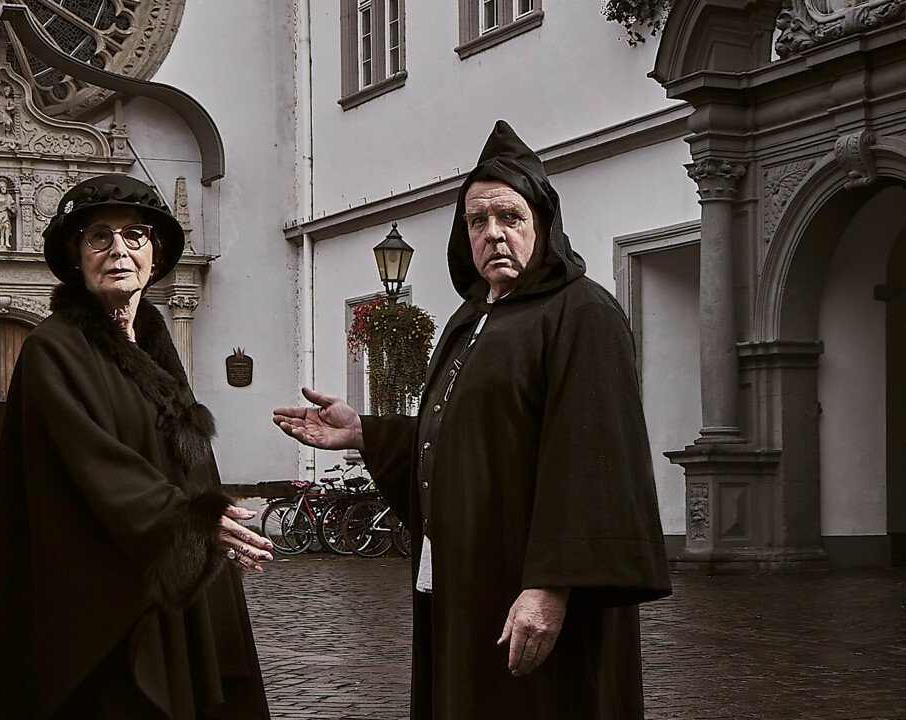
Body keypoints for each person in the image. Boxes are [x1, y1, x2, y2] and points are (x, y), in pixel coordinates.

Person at [273, 121, 671, 719]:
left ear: (543, 223)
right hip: (465, 584)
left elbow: (594, 464)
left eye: (510, 217)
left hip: (527, 589)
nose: (494, 234)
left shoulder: (582, 314)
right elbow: (471, 439)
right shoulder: (468, 319)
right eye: (477, 222)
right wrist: (366, 432)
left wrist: (549, 586)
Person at [0, 174, 273, 720]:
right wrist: (192, 520)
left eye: (135, 235)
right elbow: (94, 466)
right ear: (76, 256)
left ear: (155, 253)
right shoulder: (53, 350)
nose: (119, 250)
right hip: (99, 605)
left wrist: (214, 533)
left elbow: (184, 460)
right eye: (98, 237)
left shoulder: (150, 340)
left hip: (166, 580)